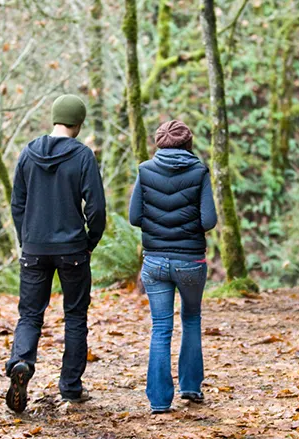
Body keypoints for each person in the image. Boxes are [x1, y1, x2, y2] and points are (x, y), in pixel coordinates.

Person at [5, 94, 107, 413]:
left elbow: (17, 203)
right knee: (75, 316)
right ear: (78, 123)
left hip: (34, 247)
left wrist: (28, 237)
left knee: (30, 314)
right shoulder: (83, 156)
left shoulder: (28, 153)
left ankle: (21, 362)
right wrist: (91, 239)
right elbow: (96, 207)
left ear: (54, 118)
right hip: (73, 249)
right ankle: (71, 388)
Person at [128, 120, 217, 414]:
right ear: (187, 143)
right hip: (191, 260)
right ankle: (190, 387)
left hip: (154, 261)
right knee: (191, 320)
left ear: (159, 143)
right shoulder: (199, 171)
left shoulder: (145, 171)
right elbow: (208, 221)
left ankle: (158, 401)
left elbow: (133, 216)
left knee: (161, 327)